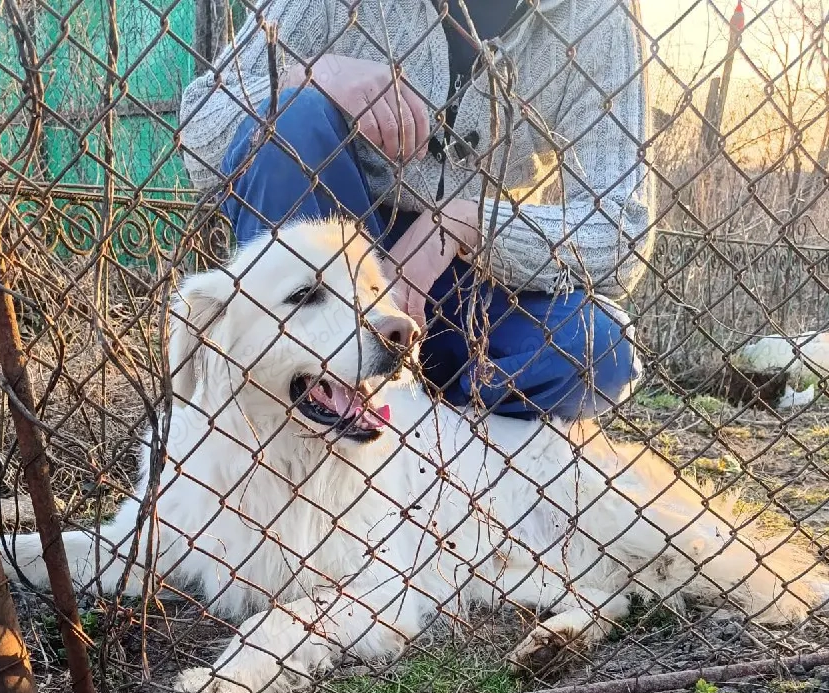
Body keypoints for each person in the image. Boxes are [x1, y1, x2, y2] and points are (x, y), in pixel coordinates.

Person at [179, 0, 653, 420]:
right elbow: (200, 127)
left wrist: (468, 224)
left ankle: (423, 433)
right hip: (333, 246)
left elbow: (622, 230)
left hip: (470, 279)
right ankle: (300, 407)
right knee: (290, 121)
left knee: (599, 349)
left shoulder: (597, 14)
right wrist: (313, 75)